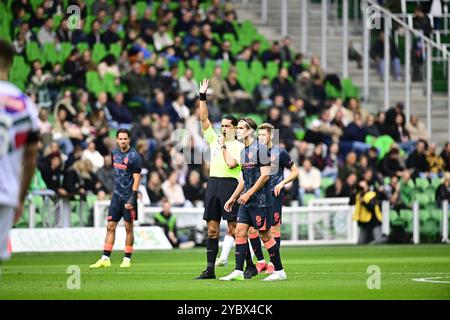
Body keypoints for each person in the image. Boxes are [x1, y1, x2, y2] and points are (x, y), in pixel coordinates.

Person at [220, 118, 287, 281]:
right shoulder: (243, 151)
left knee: (265, 236)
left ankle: (279, 271)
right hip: (246, 201)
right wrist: (232, 198)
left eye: (242, 128)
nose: (238, 130)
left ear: (250, 131)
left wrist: (249, 193)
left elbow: (265, 175)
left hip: (261, 201)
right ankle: (238, 271)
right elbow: (243, 179)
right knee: (240, 232)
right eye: (238, 128)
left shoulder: (261, 149)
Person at [195, 79, 244, 280]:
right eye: (221, 125)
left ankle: (245, 266)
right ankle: (210, 270)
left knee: (234, 229)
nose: (222, 128)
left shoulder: (240, 147)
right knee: (212, 229)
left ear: (234, 128)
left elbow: (232, 165)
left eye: (226, 126)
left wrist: (223, 146)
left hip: (230, 185)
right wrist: (202, 97)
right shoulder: (215, 139)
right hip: (213, 184)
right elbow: (203, 119)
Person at [0, 40, 39, 261]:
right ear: (13, 63)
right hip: (6, 193)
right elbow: (31, 157)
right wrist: (21, 197)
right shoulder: (24, 104)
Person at [247, 123, 299, 275]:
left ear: (271, 135)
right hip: (257, 195)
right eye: (259, 135)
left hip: (273, 195)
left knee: (273, 229)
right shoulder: (254, 151)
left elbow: (295, 172)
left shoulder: (280, 152)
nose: (261, 137)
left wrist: (282, 183)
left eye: (264, 134)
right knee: (252, 229)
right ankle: (260, 261)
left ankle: (272, 263)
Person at [90, 128, 142, 269]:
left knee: (128, 227)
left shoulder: (134, 157)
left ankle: (127, 259)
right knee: (110, 226)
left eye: (125, 138)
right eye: (120, 138)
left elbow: (137, 178)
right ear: (117, 139)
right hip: (116, 196)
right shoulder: (114, 154)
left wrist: (133, 197)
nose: (123, 141)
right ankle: (105, 258)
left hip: (128, 197)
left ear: (129, 139)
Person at [352, 180, 385, 244]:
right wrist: (355, 192)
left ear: (367, 187)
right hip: (364, 221)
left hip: (374, 221)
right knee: (360, 242)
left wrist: (363, 202)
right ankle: (370, 239)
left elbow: (371, 208)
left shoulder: (371, 194)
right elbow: (350, 202)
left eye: (363, 187)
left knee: (379, 241)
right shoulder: (358, 195)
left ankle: (387, 237)